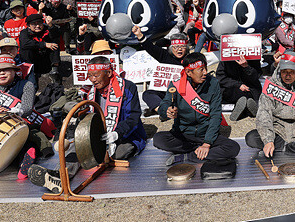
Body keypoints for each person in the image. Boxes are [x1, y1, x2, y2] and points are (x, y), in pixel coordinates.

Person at [29, 56, 146, 192]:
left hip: (126, 135)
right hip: (100, 133)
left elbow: (133, 116)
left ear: (108, 73)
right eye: (90, 76)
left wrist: (117, 133)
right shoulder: (91, 90)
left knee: (119, 153)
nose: (92, 79)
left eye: (96, 75)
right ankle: (59, 176)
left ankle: (94, 157)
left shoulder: (127, 87)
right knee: (78, 145)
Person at [154, 53, 240, 170]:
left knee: (233, 148)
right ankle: (199, 153)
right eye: (201, 70)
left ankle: (186, 156)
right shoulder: (176, 84)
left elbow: (215, 115)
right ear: (188, 72)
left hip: (205, 134)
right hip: (183, 135)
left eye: (205, 68)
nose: (205, 72)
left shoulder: (213, 83)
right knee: (158, 139)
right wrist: (167, 111)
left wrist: (207, 143)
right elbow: (165, 104)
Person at [133, 26, 189, 113]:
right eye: (176, 47)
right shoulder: (165, 55)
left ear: (187, 48)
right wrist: (139, 35)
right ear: (171, 48)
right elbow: (150, 48)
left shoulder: (190, 59)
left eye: (182, 47)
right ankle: (163, 111)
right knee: (148, 94)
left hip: (183, 93)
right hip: (165, 92)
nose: (179, 49)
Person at [217, 53, 263, 121]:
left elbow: (256, 76)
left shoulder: (253, 55)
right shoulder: (226, 56)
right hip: (232, 88)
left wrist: (246, 67)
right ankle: (246, 109)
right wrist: (238, 85)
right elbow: (221, 77)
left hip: (250, 88)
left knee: (249, 96)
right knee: (233, 94)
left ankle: (245, 109)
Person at [18, 13, 62, 84]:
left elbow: (56, 36)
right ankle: (29, 73)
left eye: (39, 23)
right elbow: (25, 44)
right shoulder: (24, 32)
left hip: (46, 61)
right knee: (26, 49)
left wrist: (50, 25)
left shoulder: (47, 29)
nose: (38, 26)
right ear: (28, 26)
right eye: (34, 24)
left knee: (54, 44)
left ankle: (55, 72)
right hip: (33, 61)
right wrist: (44, 44)